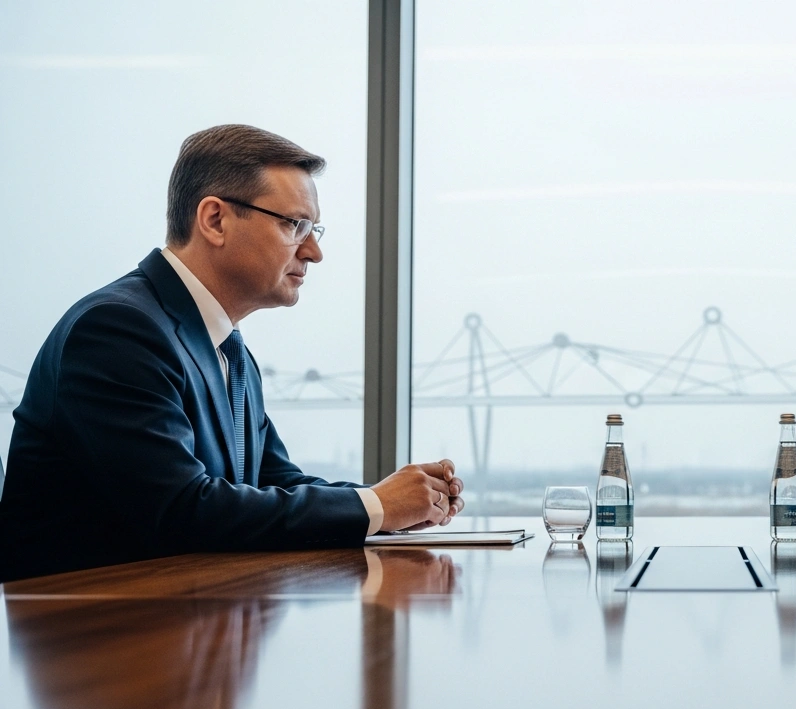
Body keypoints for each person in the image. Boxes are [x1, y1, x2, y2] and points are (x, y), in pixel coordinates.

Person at [0, 125, 462, 581]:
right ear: (215, 220)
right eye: (293, 224)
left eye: (314, 228)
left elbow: (272, 482)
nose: (315, 251)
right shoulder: (116, 331)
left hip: (185, 621)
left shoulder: (226, 345)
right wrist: (377, 506)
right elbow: (183, 510)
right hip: (92, 632)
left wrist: (393, 505)